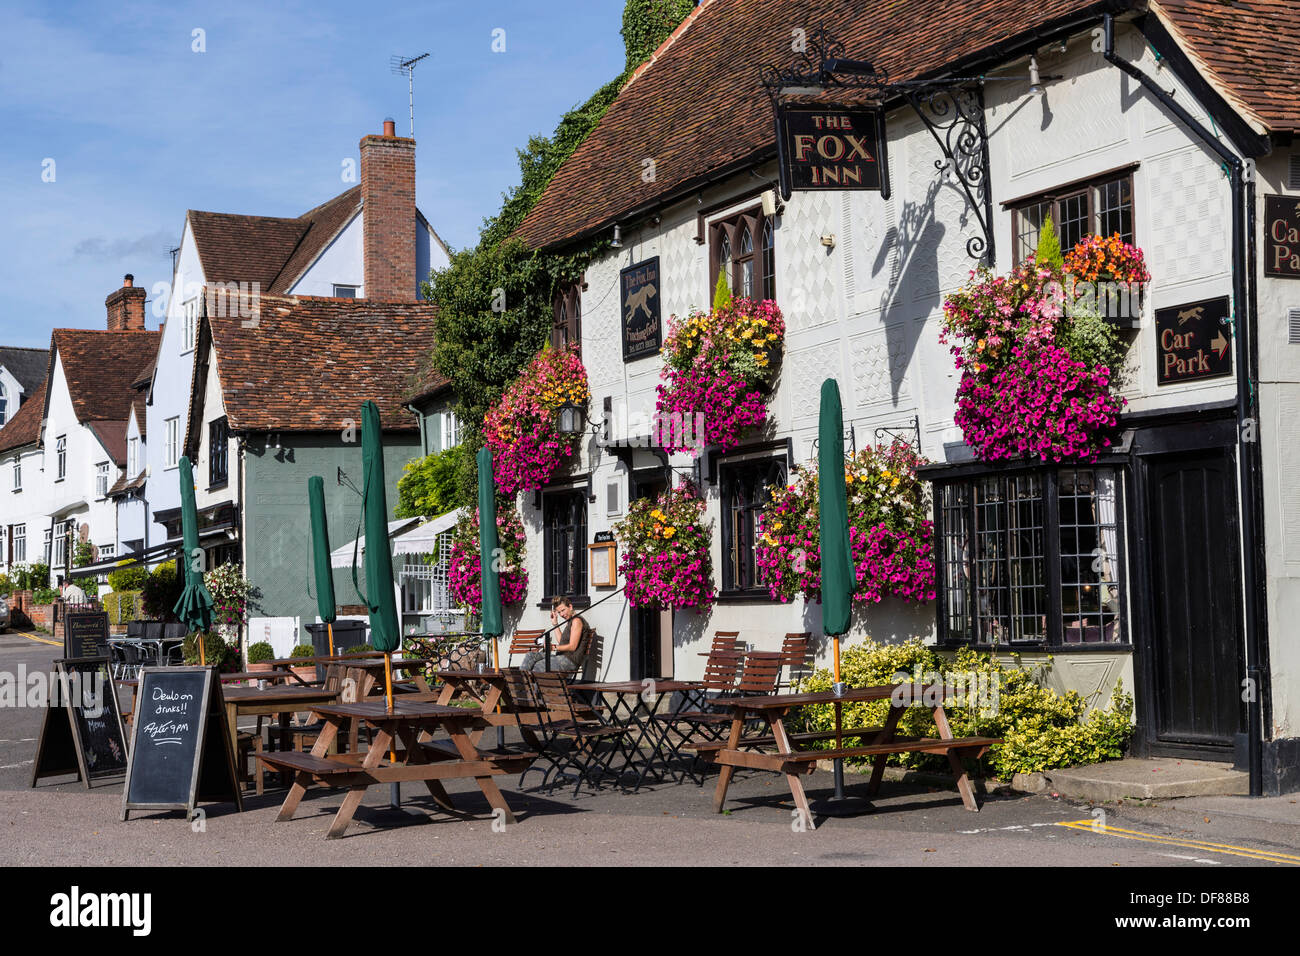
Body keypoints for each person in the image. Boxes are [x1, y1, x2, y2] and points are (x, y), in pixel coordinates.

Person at [522, 596, 586, 672]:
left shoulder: (576, 621)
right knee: (530, 655)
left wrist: (553, 647)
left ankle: (532, 683)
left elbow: (572, 647)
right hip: (562, 656)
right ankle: (523, 682)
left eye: (563, 610)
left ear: (570, 607)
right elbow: (562, 642)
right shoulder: (570, 621)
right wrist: (555, 624)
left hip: (571, 660)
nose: (561, 614)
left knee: (540, 665)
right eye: (559, 612)